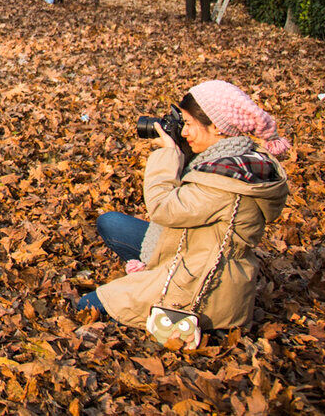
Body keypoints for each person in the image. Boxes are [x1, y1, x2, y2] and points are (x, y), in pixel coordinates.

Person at [77, 81, 290, 346]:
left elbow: (163, 208)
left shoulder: (227, 179)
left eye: (189, 123)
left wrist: (168, 155)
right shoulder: (232, 158)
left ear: (217, 127)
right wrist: (183, 150)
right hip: (189, 248)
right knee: (111, 222)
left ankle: (154, 289)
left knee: (86, 306)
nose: (184, 131)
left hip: (202, 283)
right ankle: (146, 276)